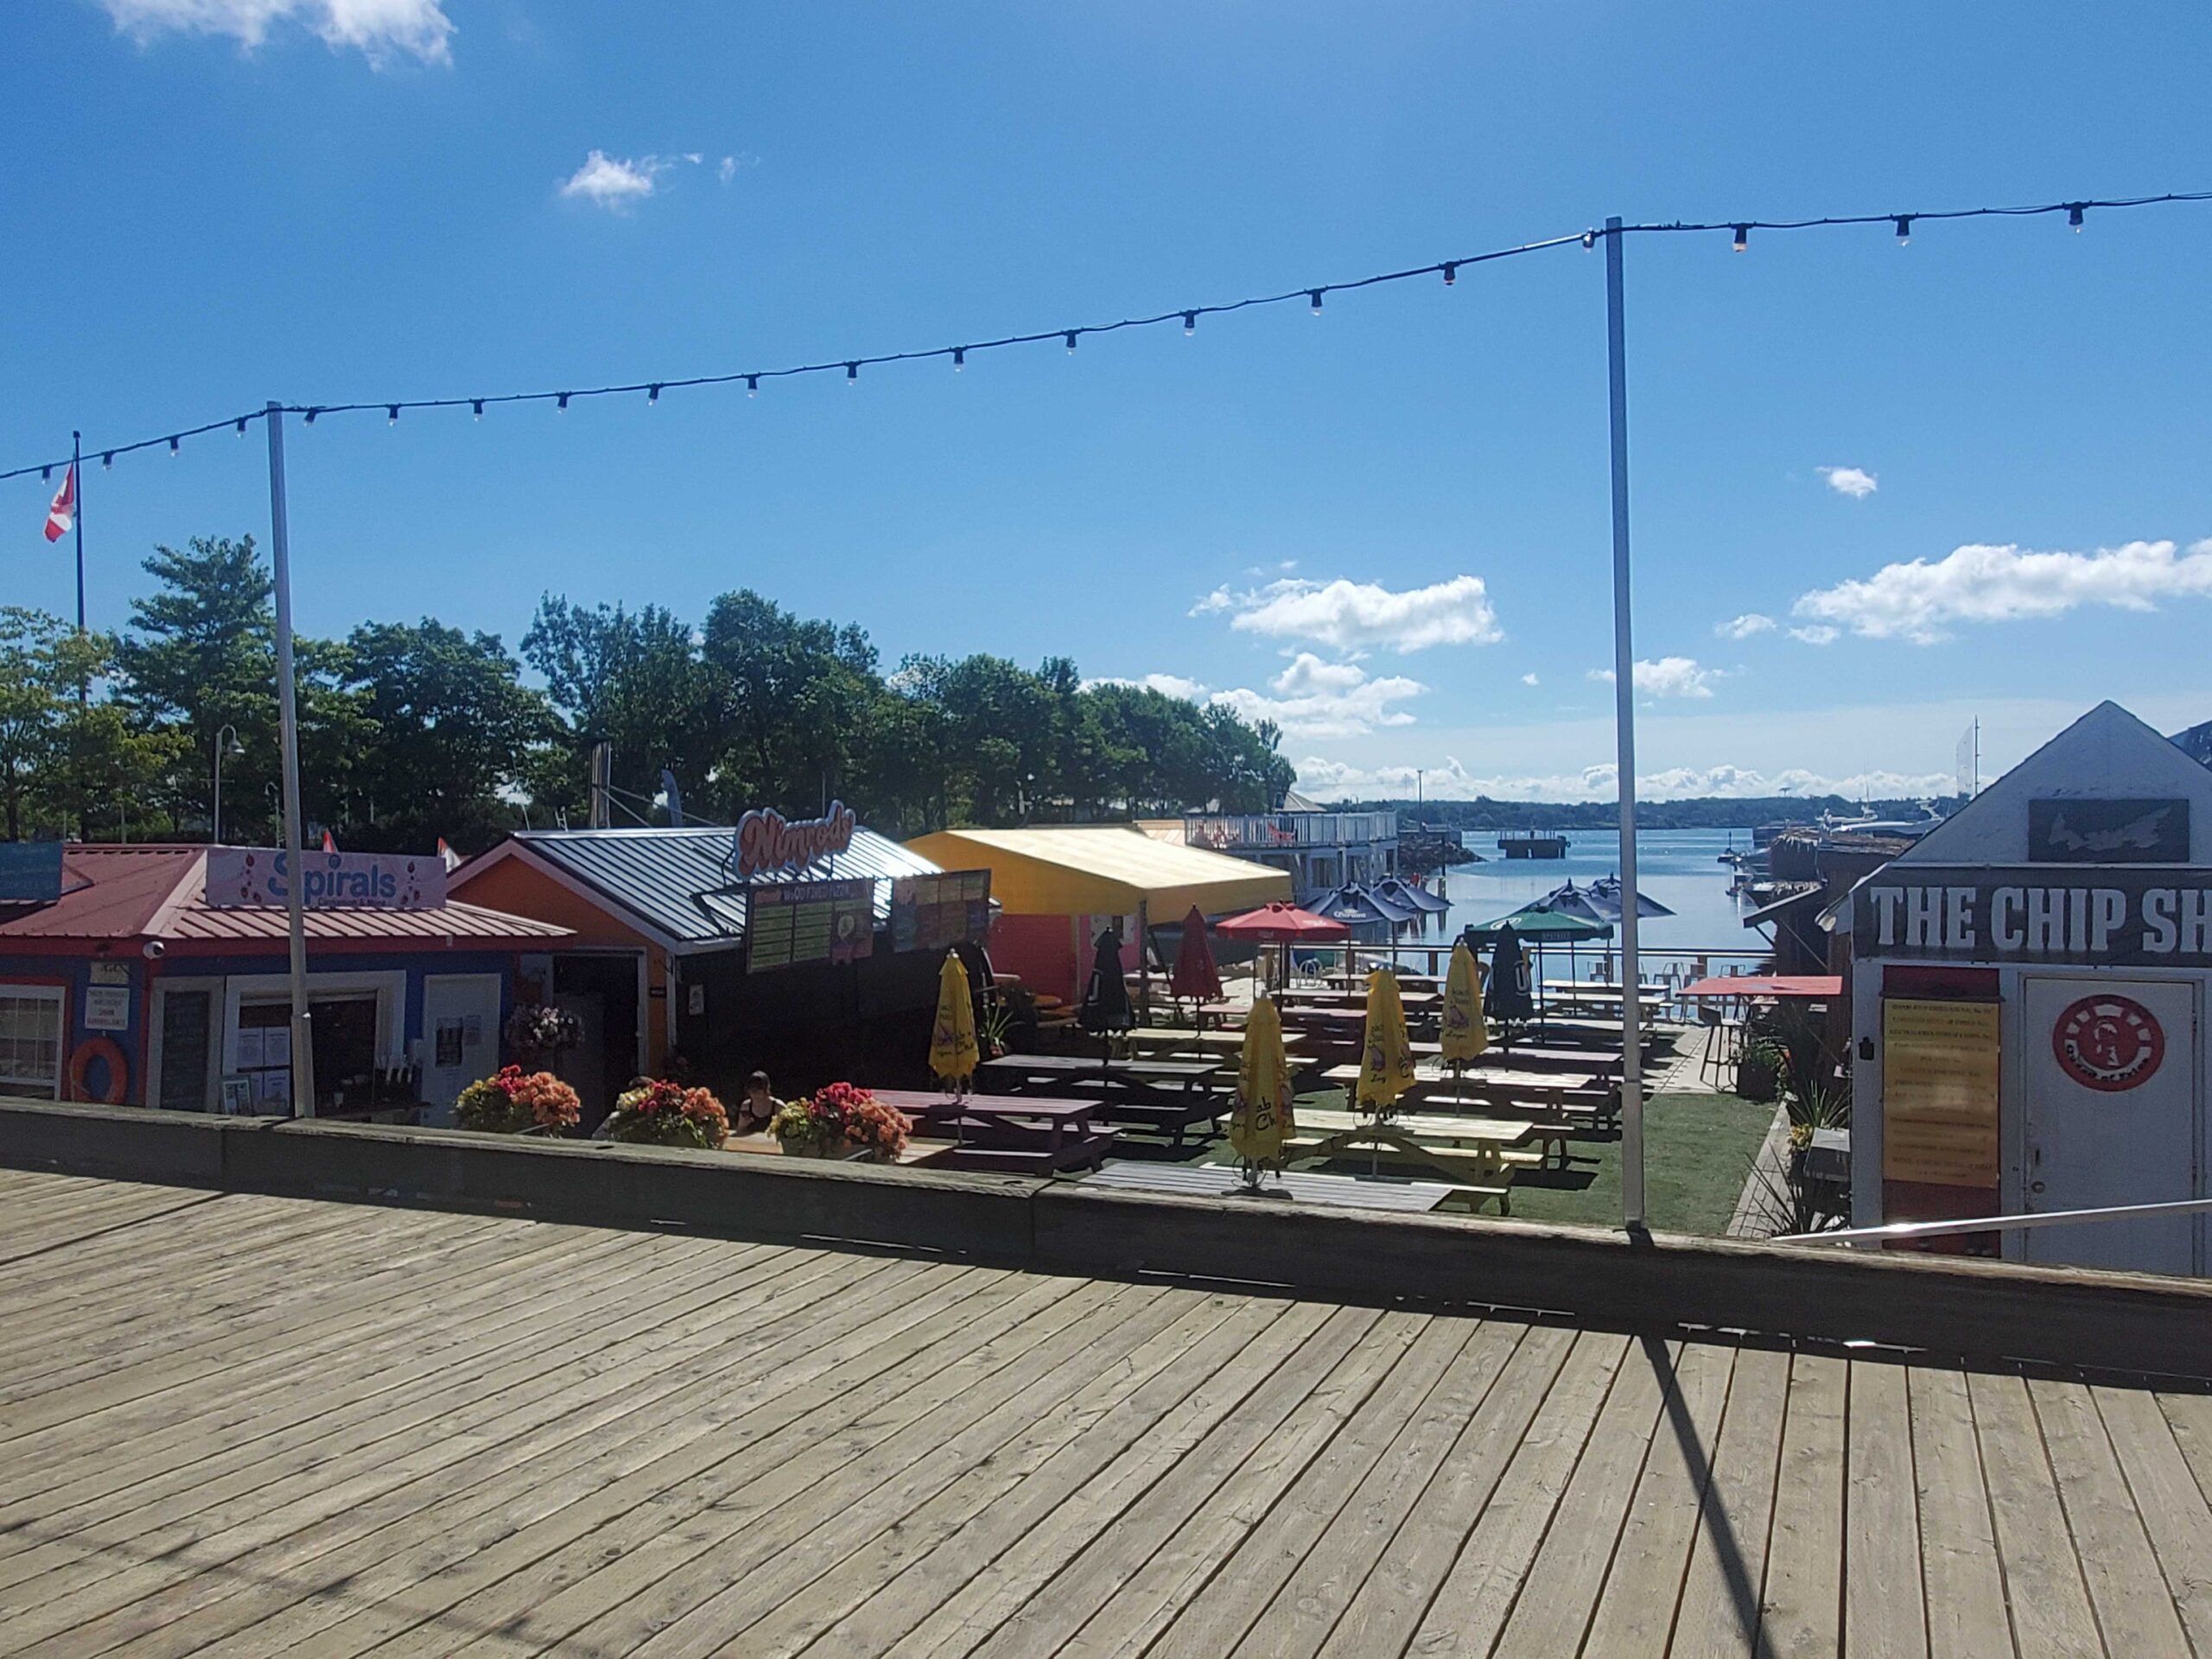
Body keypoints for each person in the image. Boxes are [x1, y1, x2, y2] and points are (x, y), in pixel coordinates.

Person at [734, 1071, 782, 1137]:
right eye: (752, 1091)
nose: (754, 1094)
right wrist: (743, 1125)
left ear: (766, 1090)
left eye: (758, 1090)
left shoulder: (778, 1106)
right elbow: (739, 1132)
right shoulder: (746, 1106)